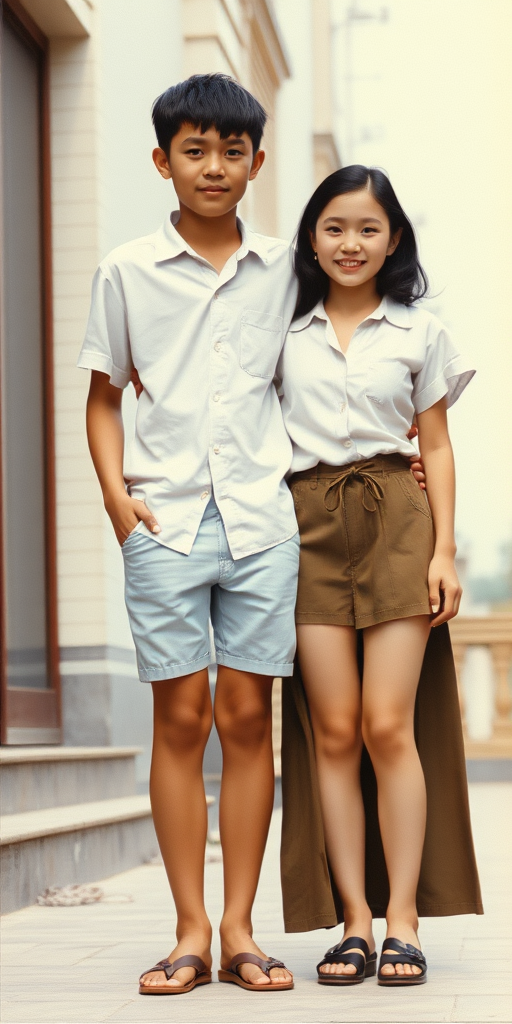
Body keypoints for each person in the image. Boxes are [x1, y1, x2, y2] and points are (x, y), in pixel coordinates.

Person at [78, 73, 301, 995]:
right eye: (196, 150)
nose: (215, 166)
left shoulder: (290, 267)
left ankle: (242, 930)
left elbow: (327, 372)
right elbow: (99, 397)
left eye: (233, 150)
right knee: (180, 716)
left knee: (249, 717)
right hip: (163, 519)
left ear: (257, 161)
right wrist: (115, 501)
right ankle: (188, 929)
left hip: (262, 518)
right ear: (163, 160)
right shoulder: (125, 271)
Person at [277, 165, 482, 986]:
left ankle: (404, 918)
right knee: (331, 731)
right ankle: (353, 922)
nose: (350, 243)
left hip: (398, 515)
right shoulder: (283, 332)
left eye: (368, 228)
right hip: (306, 525)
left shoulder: (418, 331)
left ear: (393, 239)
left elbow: (435, 445)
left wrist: (443, 550)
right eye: (334, 227)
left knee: (385, 725)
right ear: (311, 237)